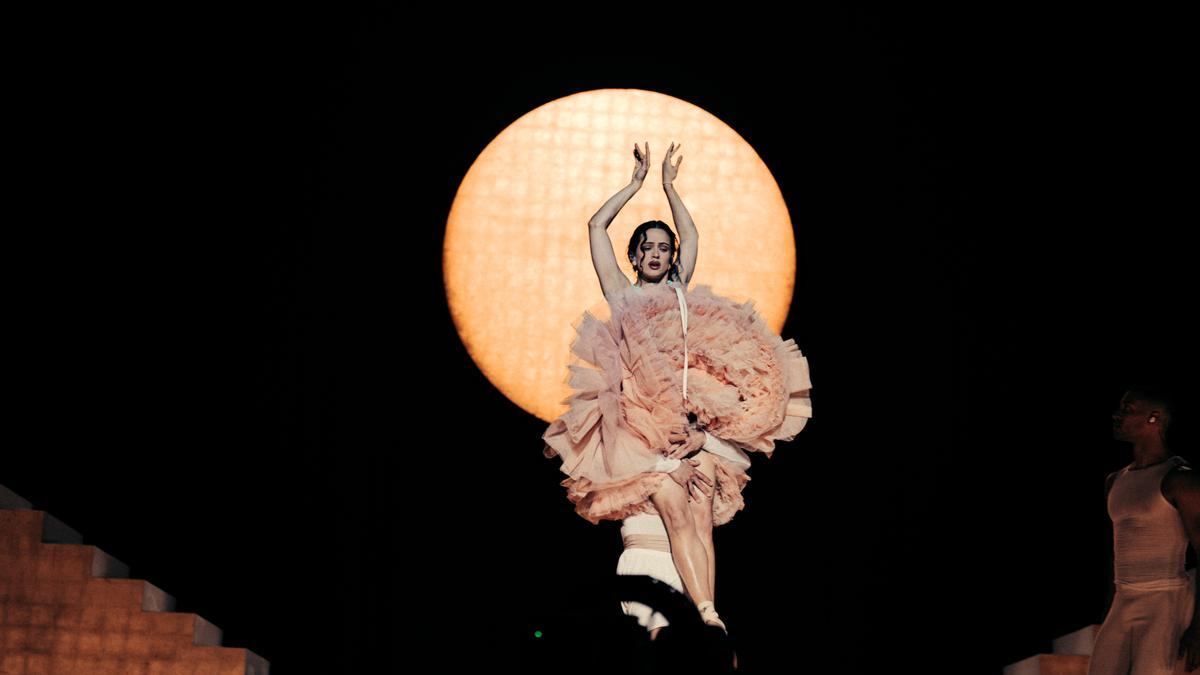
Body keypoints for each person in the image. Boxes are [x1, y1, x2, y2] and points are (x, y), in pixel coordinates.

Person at [542, 141, 813, 637]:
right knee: (674, 507)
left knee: (703, 513)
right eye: (646, 247)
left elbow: (688, 233)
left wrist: (670, 187)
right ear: (635, 255)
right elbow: (595, 228)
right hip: (642, 421)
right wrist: (636, 184)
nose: (655, 254)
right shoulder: (623, 294)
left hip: (690, 421)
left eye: (662, 248)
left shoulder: (682, 293)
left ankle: (708, 616)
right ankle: (702, 615)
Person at [1088, 386, 1200, 675]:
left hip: (1164, 599)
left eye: (1128, 409)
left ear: (1154, 418)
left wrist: (1198, 627)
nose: (1117, 415)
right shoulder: (1115, 480)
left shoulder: (1179, 479)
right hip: (1124, 597)